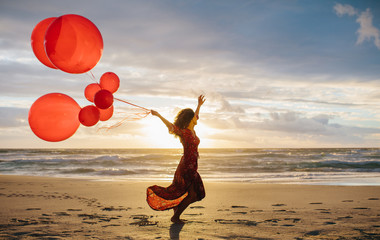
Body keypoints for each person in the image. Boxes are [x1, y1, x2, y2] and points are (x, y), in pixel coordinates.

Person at [147, 95, 206, 224]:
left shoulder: (193, 130)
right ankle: (176, 216)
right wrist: (158, 115)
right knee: (193, 195)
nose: (197, 118)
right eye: (194, 117)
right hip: (186, 167)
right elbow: (171, 126)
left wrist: (199, 105)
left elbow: (196, 115)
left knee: (198, 194)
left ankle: (177, 210)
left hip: (192, 166)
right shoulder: (184, 132)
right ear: (190, 119)